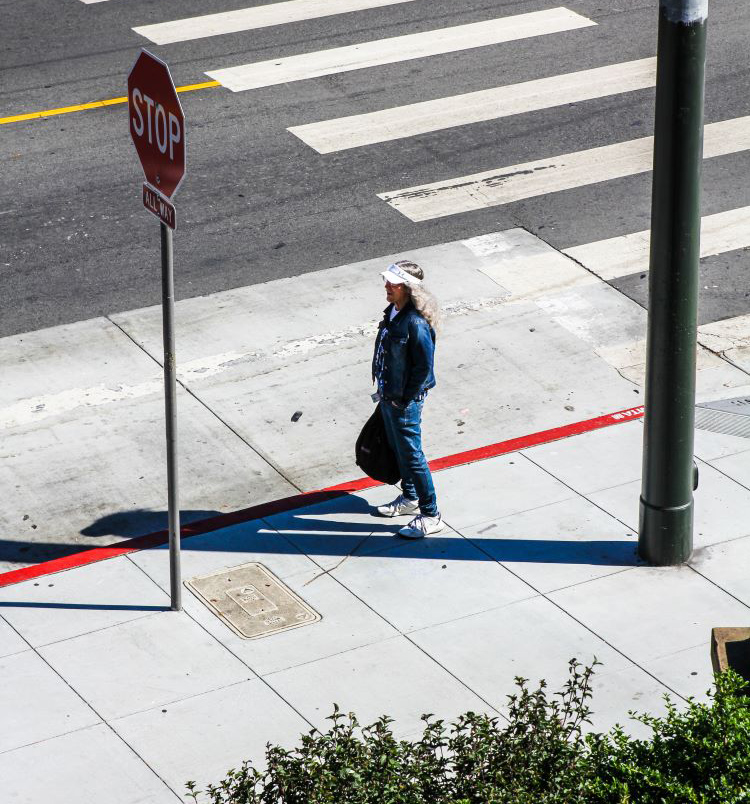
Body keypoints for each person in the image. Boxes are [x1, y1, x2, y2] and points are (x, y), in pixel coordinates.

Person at [371, 260, 443, 538]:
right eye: (387, 281)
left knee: (413, 456)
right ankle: (410, 498)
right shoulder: (393, 311)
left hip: (403, 399)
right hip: (389, 394)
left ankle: (431, 514)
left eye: (393, 283)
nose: (387, 286)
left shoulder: (415, 322)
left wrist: (405, 399)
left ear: (408, 288)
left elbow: (424, 367)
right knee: (399, 448)